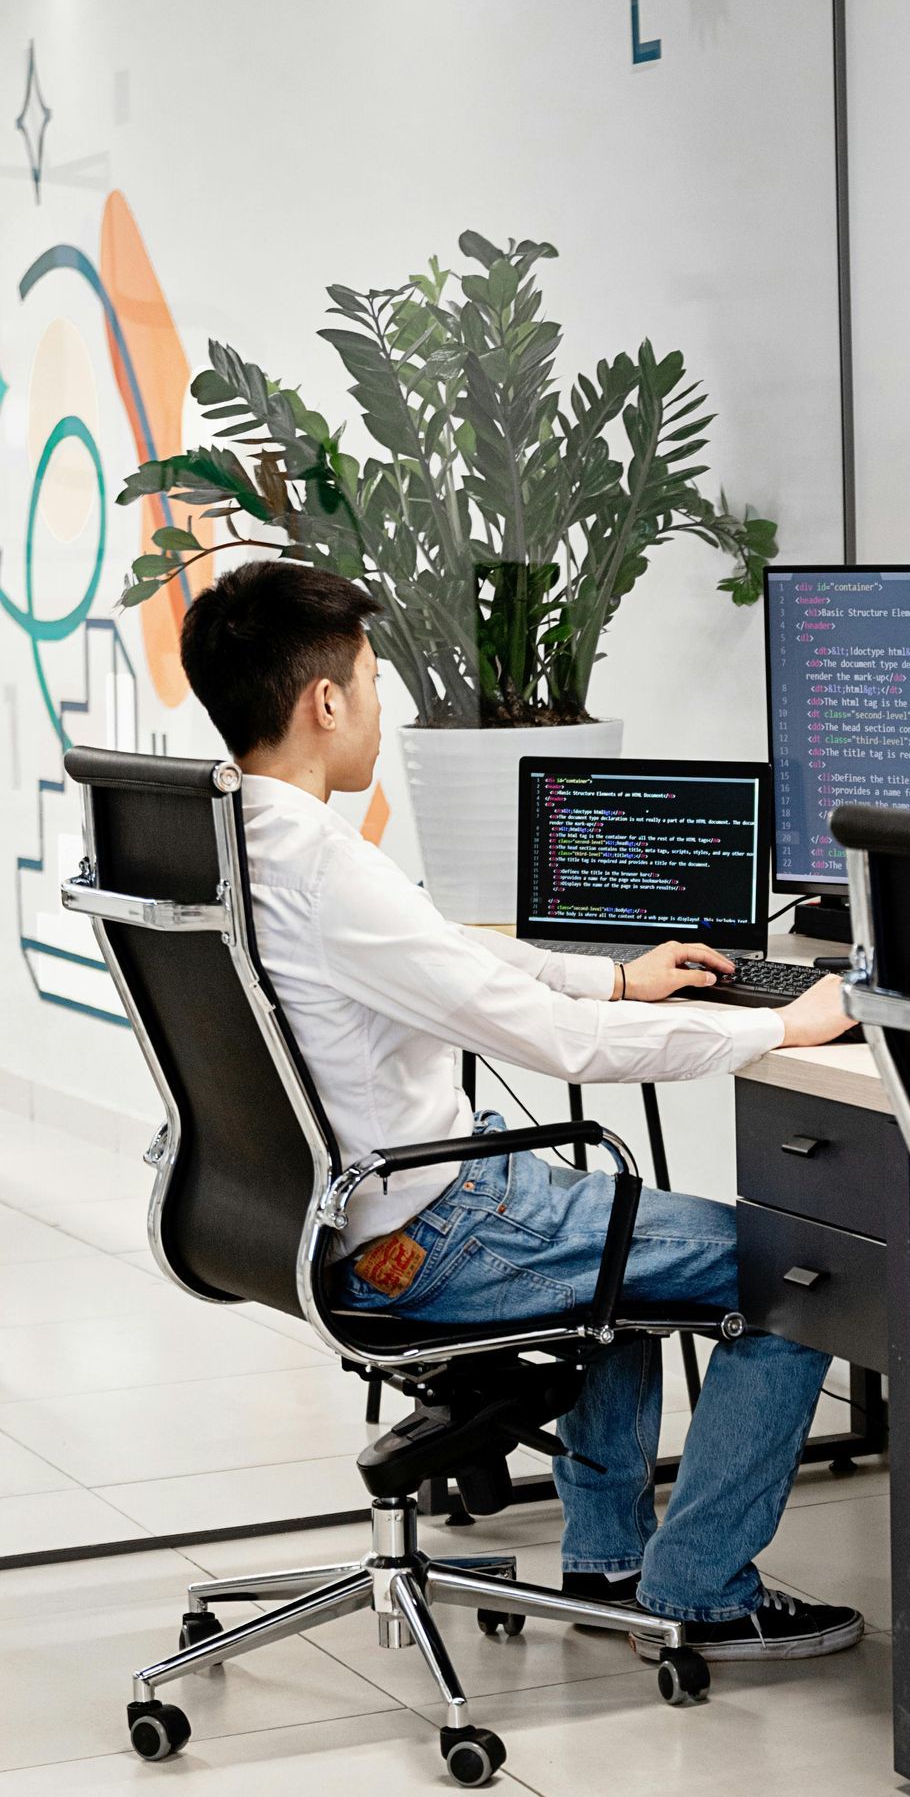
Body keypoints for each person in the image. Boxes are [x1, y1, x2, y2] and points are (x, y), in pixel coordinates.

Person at [177, 558, 864, 1666]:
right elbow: (557, 1049)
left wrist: (615, 976)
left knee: (622, 1245)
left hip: (319, 1221)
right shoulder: (327, 870)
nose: (385, 704)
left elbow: (449, 960)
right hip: (427, 1232)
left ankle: (608, 1561)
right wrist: (779, 1026)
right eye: (374, 677)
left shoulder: (223, 843)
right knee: (791, 1269)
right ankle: (699, 1588)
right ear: (326, 702)